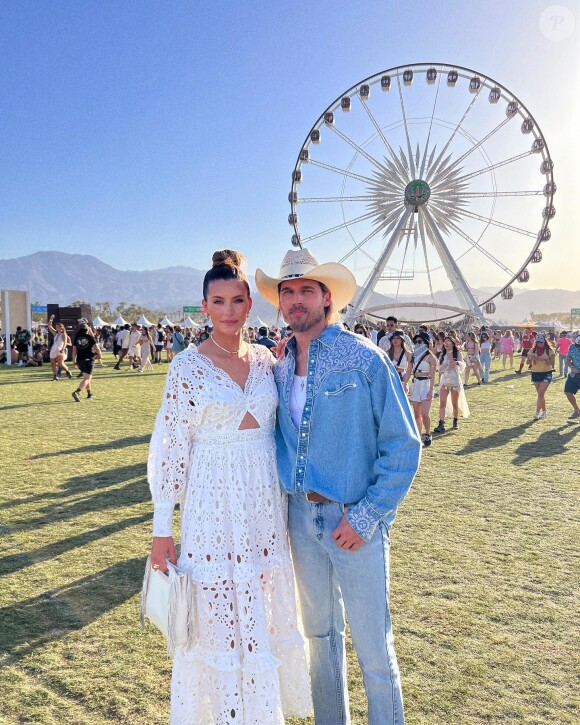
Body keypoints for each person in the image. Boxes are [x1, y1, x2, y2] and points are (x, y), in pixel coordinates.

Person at [256, 248, 420, 725]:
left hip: (353, 520)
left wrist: (366, 517)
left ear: (327, 298)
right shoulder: (280, 366)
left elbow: (403, 446)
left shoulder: (364, 360)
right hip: (300, 520)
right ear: (280, 303)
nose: (296, 300)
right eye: (287, 291)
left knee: (373, 648)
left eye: (306, 290)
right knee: (319, 641)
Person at [148, 250, 311, 724]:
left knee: (259, 606)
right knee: (218, 618)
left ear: (249, 305)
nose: (228, 311)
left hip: (263, 506)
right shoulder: (185, 368)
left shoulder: (266, 361)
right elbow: (172, 452)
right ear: (204, 306)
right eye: (218, 301)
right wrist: (162, 530)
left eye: (237, 300)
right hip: (210, 509)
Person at [406, 331, 437, 447]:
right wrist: (404, 383)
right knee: (416, 414)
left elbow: (433, 375)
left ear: (426, 343)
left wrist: (431, 389)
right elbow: (409, 371)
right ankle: (418, 436)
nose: (418, 344)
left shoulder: (431, 357)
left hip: (426, 384)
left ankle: (428, 433)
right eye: (416, 342)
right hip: (416, 383)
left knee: (425, 413)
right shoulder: (413, 356)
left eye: (420, 341)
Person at [433, 336, 469, 433]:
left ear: (453, 343)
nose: (446, 343)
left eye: (448, 341)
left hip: (455, 381)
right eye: (445, 342)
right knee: (442, 404)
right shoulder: (442, 355)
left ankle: (455, 420)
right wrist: (445, 364)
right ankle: (441, 423)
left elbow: (463, 366)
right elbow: (439, 368)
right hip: (444, 381)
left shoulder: (457, 354)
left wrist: (456, 363)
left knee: (455, 403)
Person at [526, 333, 556, 419]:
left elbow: (552, 363)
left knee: (540, 393)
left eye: (541, 342)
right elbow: (527, 362)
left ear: (545, 341)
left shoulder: (549, 350)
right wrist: (531, 358)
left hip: (546, 372)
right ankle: (544, 412)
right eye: (538, 342)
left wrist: (544, 359)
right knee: (540, 394)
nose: (540, 343)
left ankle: (537, 413)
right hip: (535, 373)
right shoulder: (533, 350)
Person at [71, 323, 102, 401]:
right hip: (89, 359)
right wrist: (99, 355)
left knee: (86, 377)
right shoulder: (90, 337)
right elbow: (97, 348)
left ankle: (89, 393)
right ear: (86, 329)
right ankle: (77, 392)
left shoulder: (76, 338)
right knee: (87, 378)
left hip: (80, 360)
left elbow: (74, 351)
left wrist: (74, 361)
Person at [47, 315, 73, 380]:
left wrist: (63, 349)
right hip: (54, 349)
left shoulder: (63, 334)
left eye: (58, 327)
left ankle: (67, 371)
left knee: (60, 364)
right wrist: (51, 319)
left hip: (60, 349)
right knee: (52, 363)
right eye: (56, 326)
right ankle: (55, 376)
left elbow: (65, 342)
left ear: (61, 328)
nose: (56, 328)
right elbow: (49, 326)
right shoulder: (55, 333)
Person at [564, 334, 580, 422]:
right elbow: (567, 359)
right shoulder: (573, 347)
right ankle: (577, 411)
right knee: (568, 392)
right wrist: (572, 367)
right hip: (574, 375)